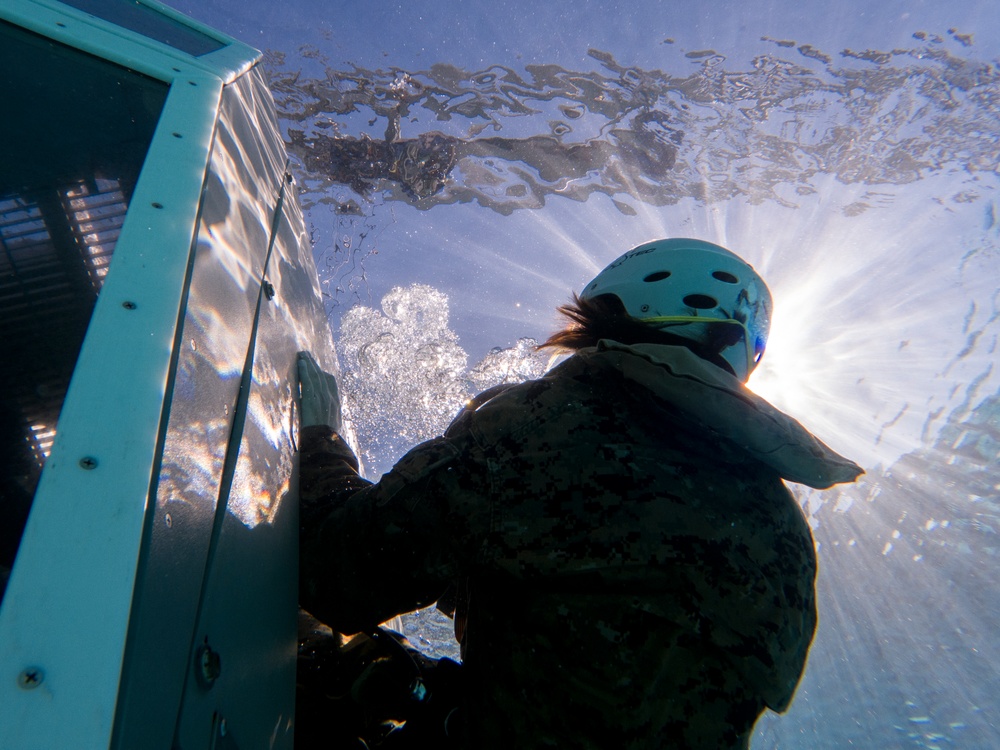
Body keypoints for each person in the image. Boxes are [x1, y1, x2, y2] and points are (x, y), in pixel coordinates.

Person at [296, 238, 863, 749]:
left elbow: (336, 574)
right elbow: (617, 697)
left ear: (611, 309)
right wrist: (431, 687)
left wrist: (321, 445)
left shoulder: (543, 426)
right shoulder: (784, 531)